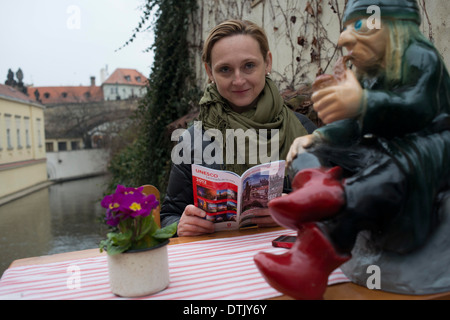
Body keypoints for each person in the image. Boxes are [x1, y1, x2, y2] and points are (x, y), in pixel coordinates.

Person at [254, 0, 450, 300]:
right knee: (309, 152)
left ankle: (319, 241)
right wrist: (318, 136)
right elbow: (355, 127)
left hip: (427, 148)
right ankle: (318, 193)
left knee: (389, 173)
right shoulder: (368, 70)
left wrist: (364, 103)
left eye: (358, 26)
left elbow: (418, 110)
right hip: (385, 146)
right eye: (345, 28)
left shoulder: (421, 57)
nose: (343, 38)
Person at [160, 19, 316, 236]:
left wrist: (293, 211)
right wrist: (180, 226)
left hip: (285, 258)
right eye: (225, 69)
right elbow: (169, 214)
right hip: (219, 264)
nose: (238, 80)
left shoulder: (302, 128)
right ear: (210, 72)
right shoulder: (193, 139)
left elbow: (334, 204)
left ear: (267, 62)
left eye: (249, 66)